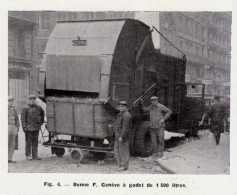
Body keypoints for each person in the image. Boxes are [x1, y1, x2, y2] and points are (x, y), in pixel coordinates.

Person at [21, 95, 45, 160]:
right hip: (28, 128)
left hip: (36, 128)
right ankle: (28, 155)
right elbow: (23, 119)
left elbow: (42, 113)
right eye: (31, 99)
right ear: (29, 100)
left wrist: (41, 122)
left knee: (35, 142)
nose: (32, 100)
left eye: (34, 99)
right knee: (28, 142)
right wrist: (24, 127)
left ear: (35, 100)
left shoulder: (38, 107)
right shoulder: (25, 108)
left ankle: (35, 155)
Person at [112, 101, 132, 171]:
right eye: (119, 106)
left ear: (125, 107)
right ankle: (120, 165)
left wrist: (122, 136)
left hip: (123, 137)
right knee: (117, 150)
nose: (120, 108)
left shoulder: (126, 115)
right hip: (118, 136)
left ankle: (124, 166)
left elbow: (125, 127)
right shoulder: (120, 114)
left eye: (122, 106)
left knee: (124, 151)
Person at [8, 96, 19, 163]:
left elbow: (17, 119)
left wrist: (17, 127)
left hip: (13, 127)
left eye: (12, 101)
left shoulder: (14, 110)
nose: (11, 102)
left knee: (12, 144)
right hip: (6, 127)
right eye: (9, 101)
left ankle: (9, 158)